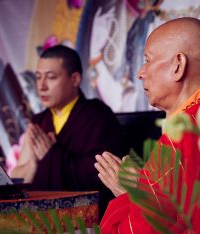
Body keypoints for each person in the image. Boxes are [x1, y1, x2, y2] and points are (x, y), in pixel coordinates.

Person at [95, 17, 200, 233]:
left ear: (178, 65)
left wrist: (132, 193)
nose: (140, 72)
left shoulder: (180, 138)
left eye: (147, 60)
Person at [11, 45, 129, 217]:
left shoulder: (97, 116)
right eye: (38, 77)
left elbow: (103, 173)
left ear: (74, 79)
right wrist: (35, 162)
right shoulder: (40, 122)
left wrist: (54, 155)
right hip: (40, 215)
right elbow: (17, 177)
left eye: (51, 77)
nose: (42, 86)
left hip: (83, 217)